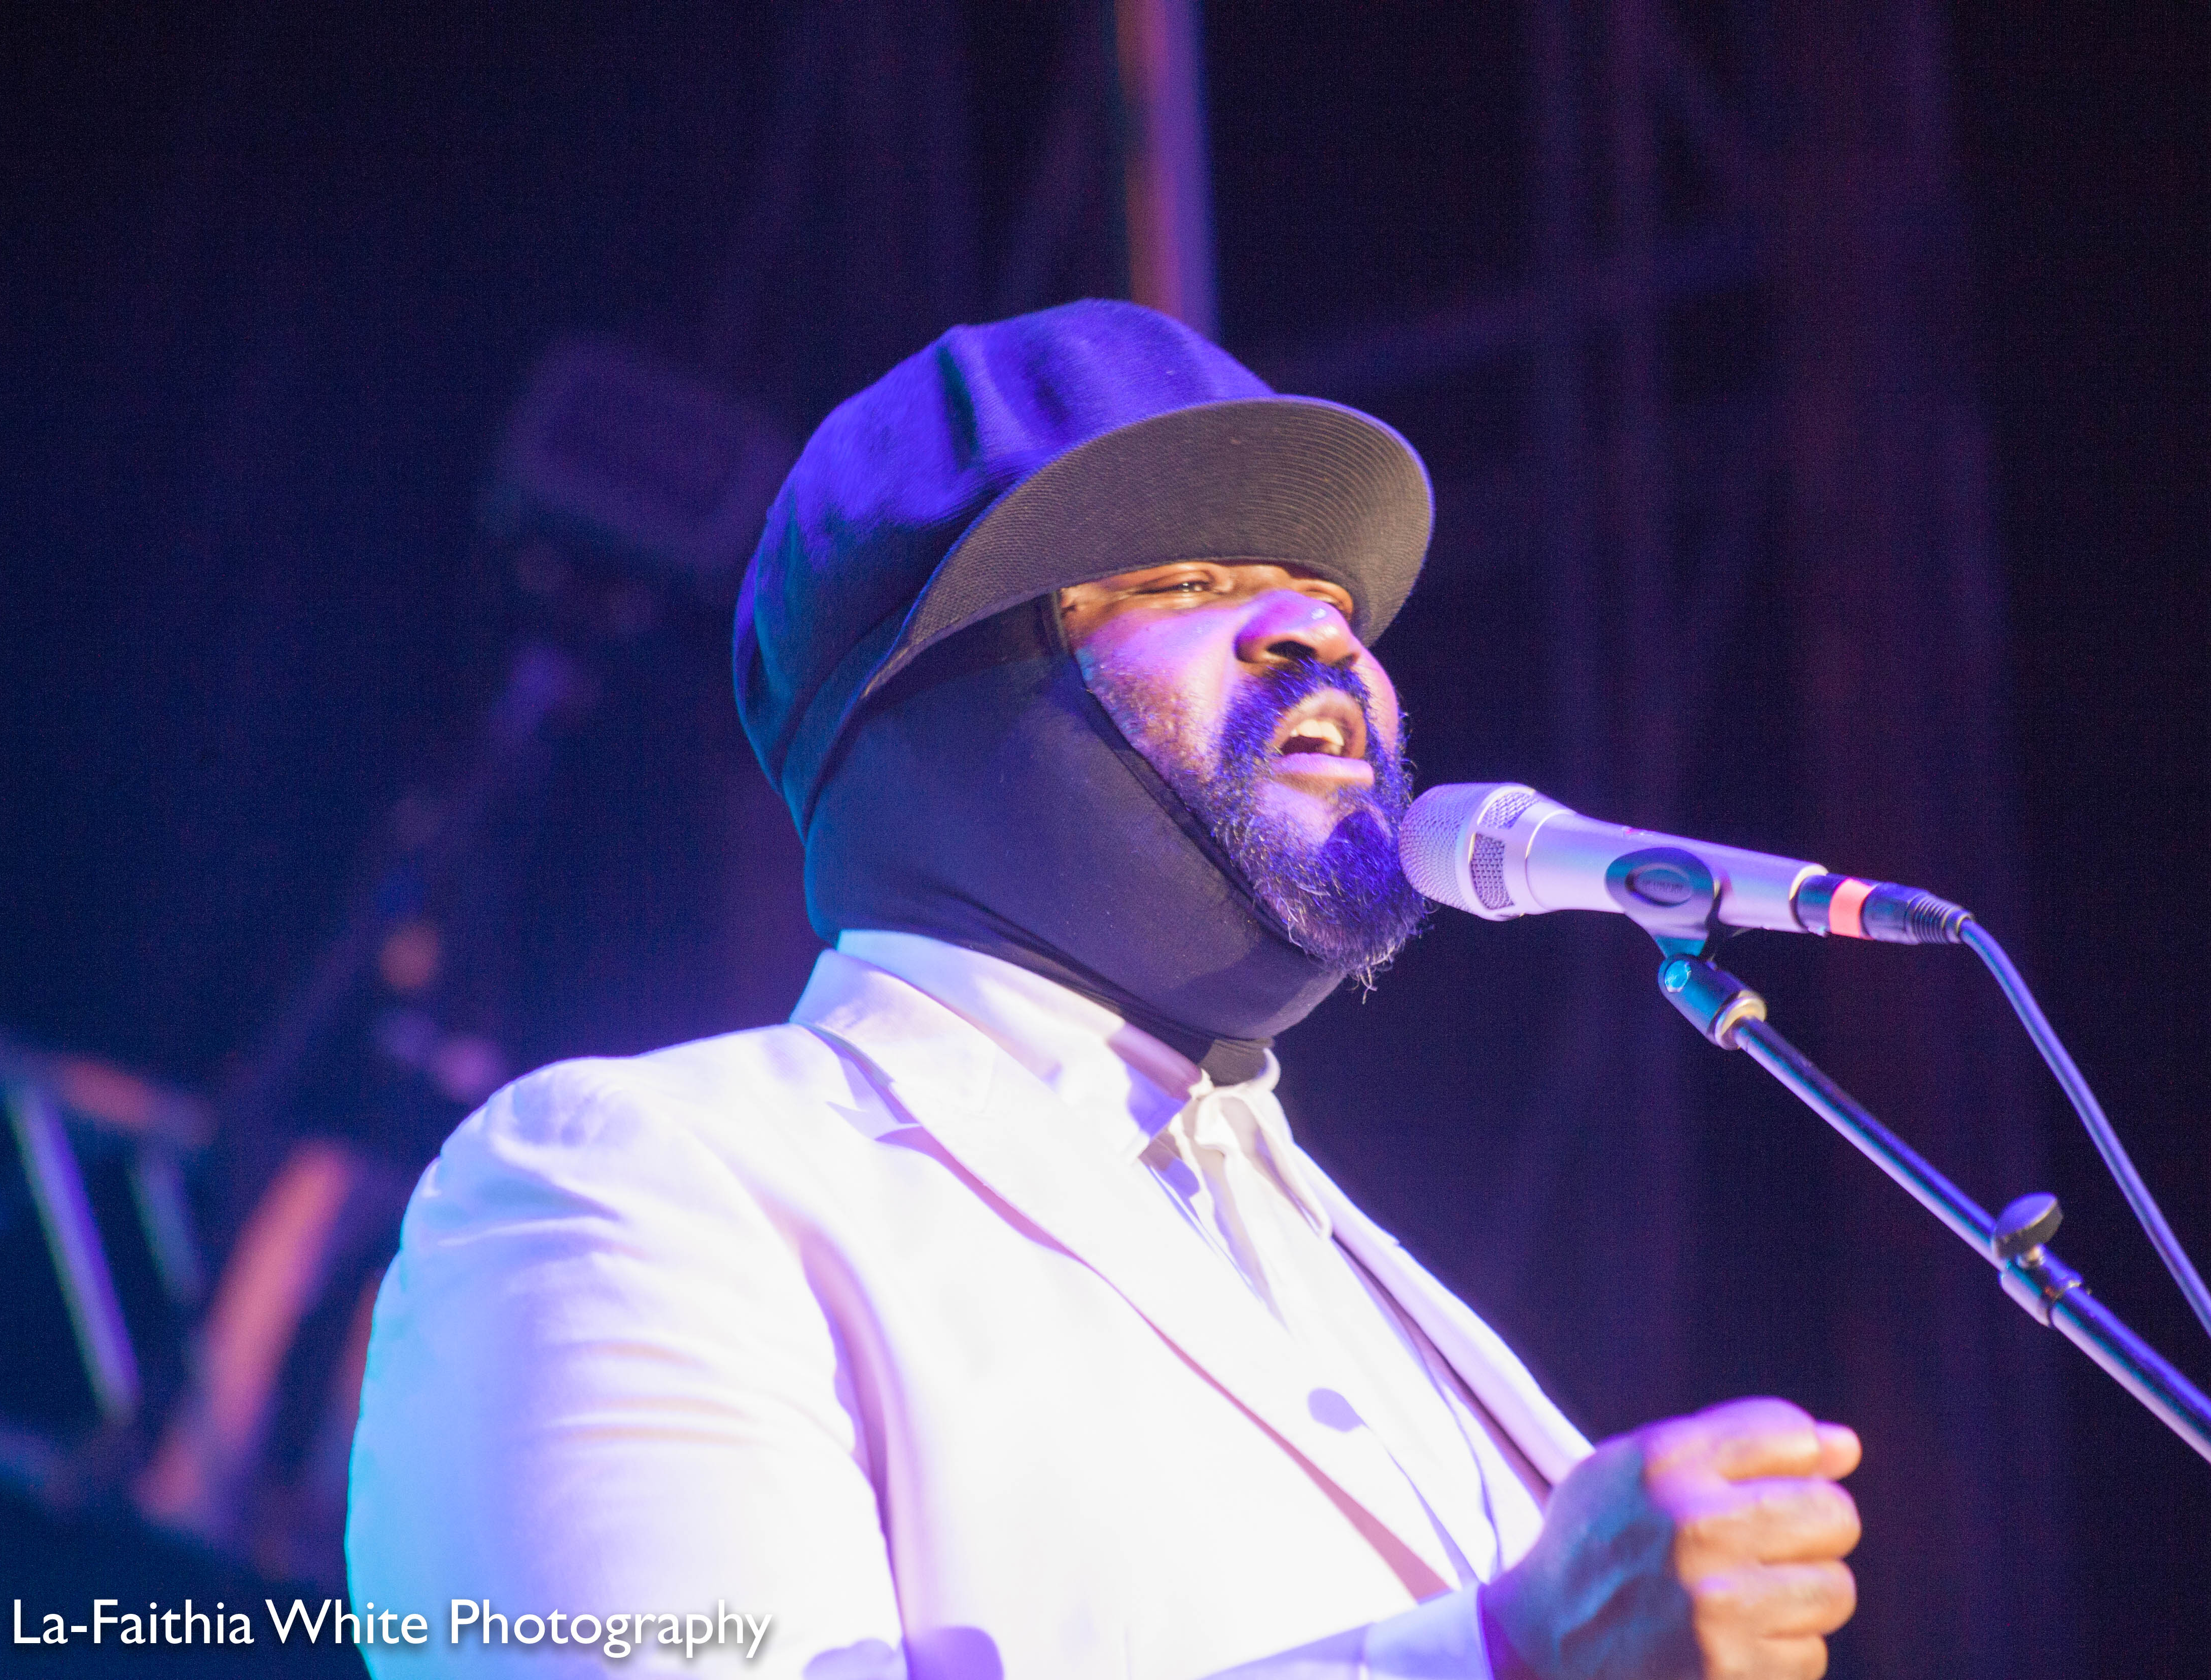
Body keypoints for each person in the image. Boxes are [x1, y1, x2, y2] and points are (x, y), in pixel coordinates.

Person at [346, 300, 1862, 1678]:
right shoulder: (644, 1185)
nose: (1320, 629)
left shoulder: (1395, 1311)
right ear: (934, 699)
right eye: (1190, 577)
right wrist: (1491, 1664)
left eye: (1323, 590)